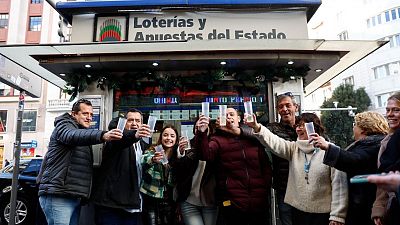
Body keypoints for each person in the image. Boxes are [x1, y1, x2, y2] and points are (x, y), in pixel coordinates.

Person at [245, 112, 348, 225]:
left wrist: (337, 216)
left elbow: (339, 186)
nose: (299, 129)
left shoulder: (330, 150)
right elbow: (275, 142)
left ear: (314, 127)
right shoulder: (294, 149)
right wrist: (256, 126)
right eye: (297, 126)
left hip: (323, 215)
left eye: (303, 125)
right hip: (299, 212)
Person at [37, 98, 123, 225]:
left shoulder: (82, 133)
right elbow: (71, 135)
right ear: (74, 114)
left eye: (91, 115)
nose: (89, 117)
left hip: (72, 196)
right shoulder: (64, 125)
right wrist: (103, 135)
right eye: (85, 113)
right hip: (58, 195)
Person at [310, 111, 389, 225]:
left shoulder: (373, 145)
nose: (353, 128)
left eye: (355, 125)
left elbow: (354, 160)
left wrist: (327, 147)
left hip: (366, 206)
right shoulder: (373, 143)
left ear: (364, 129)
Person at [196, 107, 272, 225]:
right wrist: (202, 133)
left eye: (231, 114)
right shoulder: (217, 139)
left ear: (239, 118)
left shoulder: (252, 138)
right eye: (224, 115)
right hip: (232, 203)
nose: (228, 117)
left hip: (258, 202)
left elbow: (266, 166)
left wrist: (264, 188)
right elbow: (205, 155)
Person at [91, 109, 151, 225]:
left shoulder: (143, 145)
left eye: (138, 120)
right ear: (123, 123)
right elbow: (122, 140)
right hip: (111, 206)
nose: (134, 123)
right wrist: (135, 134)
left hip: (134, 205)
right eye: (130, 120)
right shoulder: (116, 138)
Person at [173, 118, 218, 225]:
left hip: (210, 200)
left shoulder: (215, 145)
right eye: (198, 128)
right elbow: (179, 173)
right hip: (189, 200)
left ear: (209, 129)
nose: (201, 129)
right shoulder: (188, 145)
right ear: (194, 130)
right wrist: (181, 154)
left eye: (203, 127)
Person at [267, 92, 298, 225]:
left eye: (288, 105)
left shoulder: (306, 125)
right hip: (284, 186)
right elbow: (256, 134)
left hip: (307, 186)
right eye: (280, 107)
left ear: (296, 107)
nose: (284, 109)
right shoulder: (272, 129)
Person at [140, 125, 180, 225]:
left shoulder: (178, 155)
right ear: (161, 137)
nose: (168, 138)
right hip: (151, 198)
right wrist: (153, 159)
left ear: (176, 139)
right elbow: (143, 160)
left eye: (172, 136)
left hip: (169, 201)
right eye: (165, 135)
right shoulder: (153, 151)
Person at [371, 92, 400, 225]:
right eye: (388, 110)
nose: (390, 114)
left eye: (396, 110)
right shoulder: (387, 141)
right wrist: (379, 209)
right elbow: (383, 178)